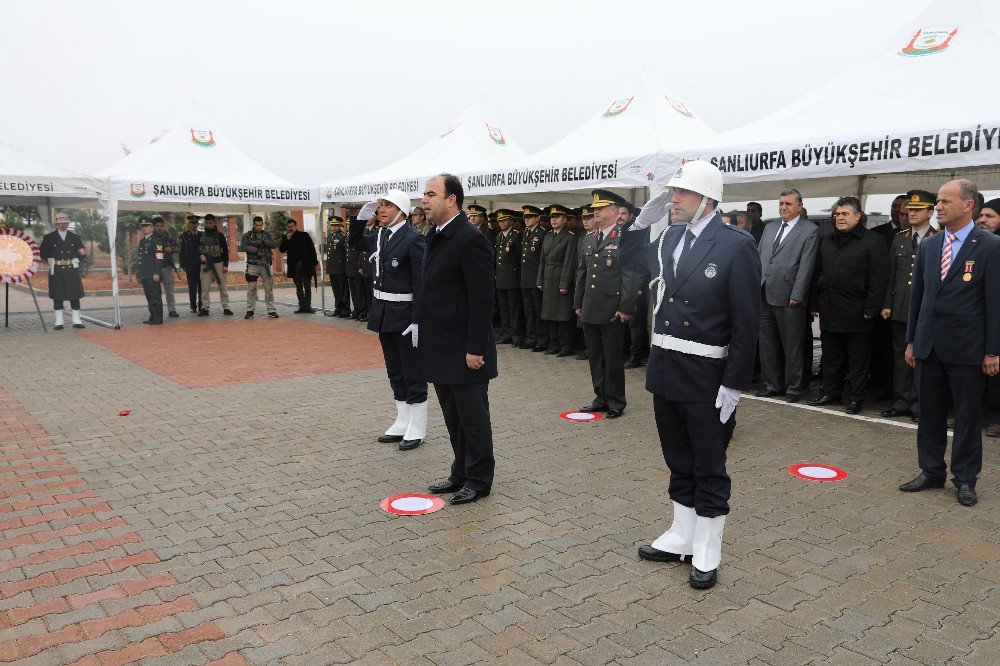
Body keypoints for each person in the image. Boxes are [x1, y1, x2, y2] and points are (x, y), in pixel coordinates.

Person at [621, 160, 761, 590]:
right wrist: (640, 224)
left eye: (680, 193)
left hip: (707, 372)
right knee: (677, 457)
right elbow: (629, 260)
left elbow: (746, 321)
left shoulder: (736, 245)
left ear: (707, 199)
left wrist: (734, 383)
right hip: (667, 367)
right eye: (671, 193)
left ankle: (708, 546)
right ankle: (682, 534)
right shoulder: (670, 237)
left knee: (709, 464)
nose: (672, 200)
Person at [900, 179, 1000, 507]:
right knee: (929, 413)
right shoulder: (930, 245)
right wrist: (912, 340)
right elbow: (919, 299)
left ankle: (966, 479)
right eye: (938, 201)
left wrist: (992, 350)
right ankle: (931, 470)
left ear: (968, 204)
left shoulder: (989, 245)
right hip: (929, 345)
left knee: (968, 416)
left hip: (968, 347)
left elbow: (995, 302)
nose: (938, 207)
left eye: (945, 201)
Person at [418, 174, 497, 505]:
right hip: (442, 347)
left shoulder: (469, 238)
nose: (424, 200)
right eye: (424, 194)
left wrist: (475, 348)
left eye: (431, 194)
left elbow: (482, 299)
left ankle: (479, 479)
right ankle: (461, 470)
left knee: (473, 418)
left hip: (466, 350)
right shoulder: (436, 235)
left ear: (451, 199)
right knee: (453, 416)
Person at [351, 190, 429, 450]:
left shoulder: (414, 239)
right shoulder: (381, 235)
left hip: (405, 314)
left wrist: (418, 320)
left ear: (402, 211)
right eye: (380, 205)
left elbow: (421, 284)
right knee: (394, 370)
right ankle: (402, 420)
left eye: (388, 205)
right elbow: (355, 241)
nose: (381, 209)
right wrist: (360, 218)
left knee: (412, 371)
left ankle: (417, 426)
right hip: (384, 312)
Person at [806, 197, 889, 414]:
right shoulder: (826, 240)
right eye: (837, 214)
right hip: (829, 308)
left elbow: (879, 278)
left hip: (859, 311)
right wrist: (815, 303)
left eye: (845, 214)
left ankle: (855, 398)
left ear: (858, 216)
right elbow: (817, 274)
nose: (840, 218)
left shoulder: (873, 241)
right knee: (831, 356)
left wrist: (871, 308)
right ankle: (830, 392)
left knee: (858, 360)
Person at [574, 189, 641, 419]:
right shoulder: (589, 238)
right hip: (591, 306)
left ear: (614, 211)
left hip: (612, 308)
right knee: (595, 356)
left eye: (600, 209)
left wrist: (625, 307)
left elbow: (631, 276)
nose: (596, 213)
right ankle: (600, 397)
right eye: (594, 209)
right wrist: (578, 303)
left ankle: (615, 401)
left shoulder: (624, 237)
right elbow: (582, 274)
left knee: (612, 358)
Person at [755, 189, 820, 403]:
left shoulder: (809, 230)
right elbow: (759, 258)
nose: (783, 207)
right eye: (781, 203)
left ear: (799, 206)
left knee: (792, 346)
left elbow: (807, 265)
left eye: (789, 204)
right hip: (764, 292)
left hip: (790, 296)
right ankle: (773, 384)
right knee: (767, 343)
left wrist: (798, 294)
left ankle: (794, 388)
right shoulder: (770, 226)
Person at [880, 191, 936, 420]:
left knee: (921, 358)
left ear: (930, 212)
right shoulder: (900, 237)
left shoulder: (938, 238)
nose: (911, 214)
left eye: (917, 210)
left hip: (925, 310)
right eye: (909, 210)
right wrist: (887, 304)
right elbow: (892, 275)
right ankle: (901, 401)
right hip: (901, 307)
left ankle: (919, 405)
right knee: (900, 357)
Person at [535, 204, 578, 357]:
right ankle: (554, 344)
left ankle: (566, 345)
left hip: (560, 278)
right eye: (552, 217)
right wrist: (539, 280)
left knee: (562, 315)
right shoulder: (547, 236)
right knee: (549, 314)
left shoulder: (570, 237)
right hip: (548, 278)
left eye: (557, 217)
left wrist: (564, 283)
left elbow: (569, 262)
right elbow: (542, 260)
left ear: (564, 220)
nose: (553, 220)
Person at [39, 212, 87, 330]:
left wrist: (77, 259)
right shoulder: (49, 238)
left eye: (65, 223)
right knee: (58, 296)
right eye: (60, 223)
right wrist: (49, 260)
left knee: (74, 295)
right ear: (56, 224)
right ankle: (59, 321)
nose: (63, 225)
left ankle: (77, 320)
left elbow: (82, 252)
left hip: (71, 269)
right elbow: (42, 252)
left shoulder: (75, 237)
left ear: (68, 223)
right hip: (57, 269)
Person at [979, 198, 1000, 437]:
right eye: (982, 215)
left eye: (990, 216)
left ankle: (996, 417)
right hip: (979, 316)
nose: (983, 220)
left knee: (996, 371)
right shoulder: (977, 244)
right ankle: (973, 413)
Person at [493, 209, 524, 347]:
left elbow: (519, 258)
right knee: (504, 308)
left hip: (512, 277)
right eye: (500, 221)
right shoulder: (499, 236)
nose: (501, 223)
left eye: (504, 220)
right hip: (501, 277)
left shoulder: (517, 235)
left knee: (513, 308)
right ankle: (507, 333)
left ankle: (516, 335)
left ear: (511, 221)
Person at [240, 215, 279, 319]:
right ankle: (250, 311)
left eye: (261, 225)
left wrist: (264, 241)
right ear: (253, 224)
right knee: (251, 288)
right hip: (253, 265)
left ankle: (271, 310)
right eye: (257, 225)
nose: (259, 227)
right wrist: (255, 249)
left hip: (265, 264)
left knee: (268, 288)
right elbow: (242, 247)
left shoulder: (266, 234)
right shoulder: (248, 235)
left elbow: (273, 244)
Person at [520, 204, 547, 352]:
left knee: (538, 311)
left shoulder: (542, 233)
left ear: (537, 218)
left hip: (536, 279)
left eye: (529, 217)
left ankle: (541, 339)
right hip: (525, 278)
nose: (526, 219)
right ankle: (530, 338)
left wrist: (540, 279)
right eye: (525, 217)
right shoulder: (525, 232)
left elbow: (542, 259)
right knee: (528, 311)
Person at [279, 219, 318, 313]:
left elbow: (311, 249)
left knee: (307, 286)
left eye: (292, 226)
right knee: (299, 287)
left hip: (306, 265)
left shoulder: (304, 235)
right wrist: (287, 240)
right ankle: (301, 306)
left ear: (296, 226)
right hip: (294, 265)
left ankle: (308, 306)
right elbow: (281, 249)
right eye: (289, 227)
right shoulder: (286, 237)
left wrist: (314, 262)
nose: (290, 228)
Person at [198, 214, 232, 316]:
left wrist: (225, 265)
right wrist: (200, 255)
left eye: (211, 223)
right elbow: (196, 249)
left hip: (218, 263)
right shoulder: (200, 235)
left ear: (214, 222)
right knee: (205, 287)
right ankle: (205, 308)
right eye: (207, 223)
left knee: (222, 286)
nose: (209, 225)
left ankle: (226, 307)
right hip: (205, 264)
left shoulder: (220, 235)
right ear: (205, 223)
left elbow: (225, 251)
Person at [135, 218, 164, 325]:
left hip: (153, 274)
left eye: (147, 226)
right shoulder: (143, 241)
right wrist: (139, 273)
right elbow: (141, 259)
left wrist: (156, 272)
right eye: (143, 226)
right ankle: (152, 316)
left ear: (151, 228)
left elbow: (159, 258)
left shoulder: (156, 240)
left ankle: (158, 318)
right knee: (149, 296)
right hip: (145, 274)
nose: (144, 228)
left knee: (155, 296)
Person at [151, 216, 179, 318]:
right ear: (154, 226)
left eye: (161, 226)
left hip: (167, 266)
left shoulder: (168, 236)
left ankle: (172, 310)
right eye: (157, 226)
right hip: (155, 268)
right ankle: (157, 311)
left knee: (169, 290)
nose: (159, 228)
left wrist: (171, 249)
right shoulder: (151, 238)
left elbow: (178, 247)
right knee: (155, 291)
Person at [325, 217, 350, 317]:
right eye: (332, 226)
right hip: (332, 267)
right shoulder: (330, 236)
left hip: (340, 267)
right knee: (336, 289)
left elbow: (345, 252)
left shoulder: (343, 236)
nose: (334, 228)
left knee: (343, 289)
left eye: (336, 226)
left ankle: (345, 309)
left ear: (340, 226)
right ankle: (338, 307)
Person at [178, 215, 202, 313]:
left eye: (195, 223)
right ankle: (193, 306)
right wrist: (182, 264)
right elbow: (181, 251)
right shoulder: (184, 235)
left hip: (201, 265)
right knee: (192, 287)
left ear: (198, 224)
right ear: (189, 224)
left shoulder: (201, 235)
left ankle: (201, 305)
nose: (194, 225)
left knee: (201, 287)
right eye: (192, 223)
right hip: (190, 265)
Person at [345, 216, 366, 320]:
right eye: (348, 225)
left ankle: (362, 311)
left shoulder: (358, 235)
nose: (349, 227)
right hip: (349, 267)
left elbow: (360, 252)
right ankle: (356, 310)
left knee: (359, 291)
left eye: (350, 225)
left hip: (356, 266)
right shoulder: (347, 236)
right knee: (353, 291)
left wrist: (360, 266)